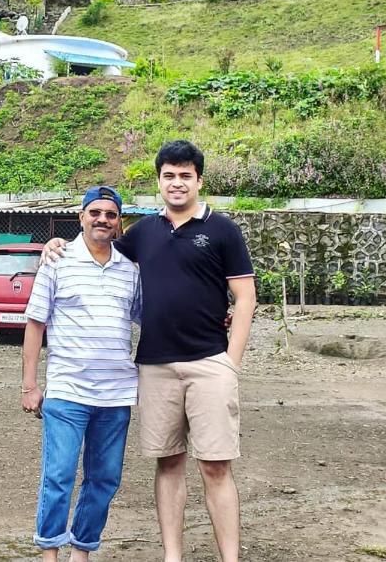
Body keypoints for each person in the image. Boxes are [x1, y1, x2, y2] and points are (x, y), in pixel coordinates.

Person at [42, 140, 256, 562]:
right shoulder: (143, 233)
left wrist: (231, 362)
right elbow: (98, 252)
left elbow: (245, 297)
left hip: (209, 363)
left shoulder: (223, 230)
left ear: (199, 180)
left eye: (186, 176)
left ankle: (230, 558)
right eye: (169, 175)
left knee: (215, 465)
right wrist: (55, 246)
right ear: (159, 180)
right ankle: (171, 556)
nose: (177, 183)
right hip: (154, 367)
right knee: (169, 463)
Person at [21, 186, 141, 562]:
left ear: (119, 221)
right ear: (81, 217)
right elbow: (35, 325)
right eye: (95, 212)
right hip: (67, 391)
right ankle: (49, 551)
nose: (102, 219)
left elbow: (151, 316)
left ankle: (82, 551)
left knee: (104, 480)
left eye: (110, 213)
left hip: (116, 395)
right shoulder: (57, 260)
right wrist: (29, 385)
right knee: (58, 477)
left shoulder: (130, 268)